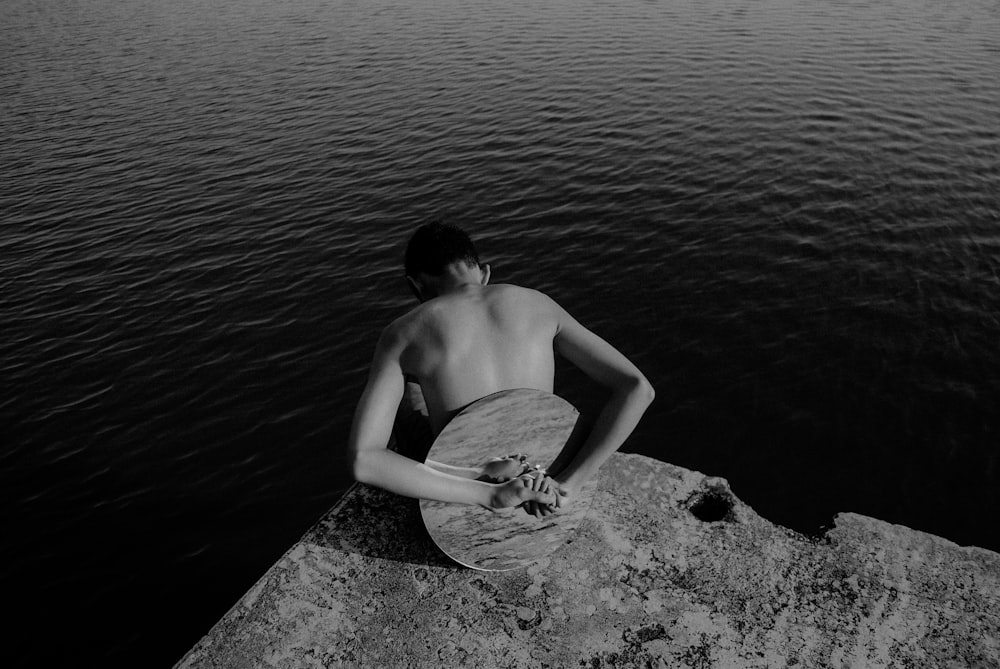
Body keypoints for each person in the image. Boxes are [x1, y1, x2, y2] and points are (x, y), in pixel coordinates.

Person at [347, 222, 654, 514]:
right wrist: (569, 484)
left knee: (405, 397)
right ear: (484, 274)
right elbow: (638, 388)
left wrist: (490, 495)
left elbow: (364, 460)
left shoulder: (404, 332)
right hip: (547, 479)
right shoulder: (540, 304)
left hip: (470, 496)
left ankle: (474, 479)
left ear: (415, 287)